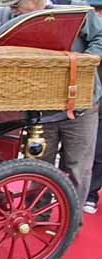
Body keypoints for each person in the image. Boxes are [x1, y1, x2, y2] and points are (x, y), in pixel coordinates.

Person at [3, 0, 102, 218]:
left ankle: (70, 221)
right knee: (38, 165)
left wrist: (85, 61)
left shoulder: (75, 13)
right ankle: (37, 215)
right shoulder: (17, 21)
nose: (11, 8)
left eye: (15, 3)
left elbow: (100, 37)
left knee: (78, 168)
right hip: (42, 106)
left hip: (80, 106)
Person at [84, 0, 102, 214]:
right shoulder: (88, 32)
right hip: (85, 100)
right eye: (96, 10)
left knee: (98, 152)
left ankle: (90, 194)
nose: (98, 14)